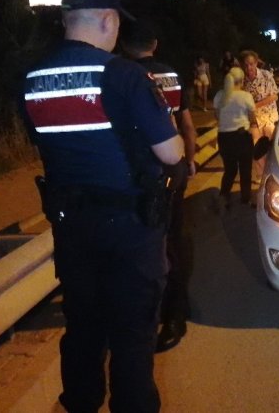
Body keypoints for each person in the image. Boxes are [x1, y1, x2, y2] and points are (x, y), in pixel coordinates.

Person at [22, 0, 183, 413]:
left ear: (66, 21)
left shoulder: (33, 78)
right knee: (132, 334)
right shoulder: (125, 75)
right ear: (109, 21)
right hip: (130, 229)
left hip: (72, 227)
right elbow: (171, 153)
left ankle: (80, 403)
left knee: (83, 327)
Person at [120, 19, 198, 353]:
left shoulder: (120, 75)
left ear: (125, 46)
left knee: (146, 245)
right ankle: (177, 312)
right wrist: (189, 160)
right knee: (174, 239)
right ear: (155, 44)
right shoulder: (172, 76)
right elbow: (187, 125)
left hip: (137, 172)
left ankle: (154, 310)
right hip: (172, 167)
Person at [213, 67, 256, 209]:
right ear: (242, 80)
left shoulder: (219, 95)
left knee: (230, 170)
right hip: (242, 137)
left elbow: (217, 116)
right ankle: (245, 199)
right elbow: (252, 117)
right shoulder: (245, 96)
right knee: (245, 170)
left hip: (224, 138)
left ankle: (224, 196)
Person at [240, 50, 279, 184]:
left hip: (268, 117)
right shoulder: (242, 81)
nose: (249, 68)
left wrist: (256, 105)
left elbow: (274, 96)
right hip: (253, 119)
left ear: (256, 63)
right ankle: (260, 175)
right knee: (256, 147)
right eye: (246, 65)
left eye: (251, 64)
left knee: (270, 148)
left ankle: (274, 173)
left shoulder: (266, 75)